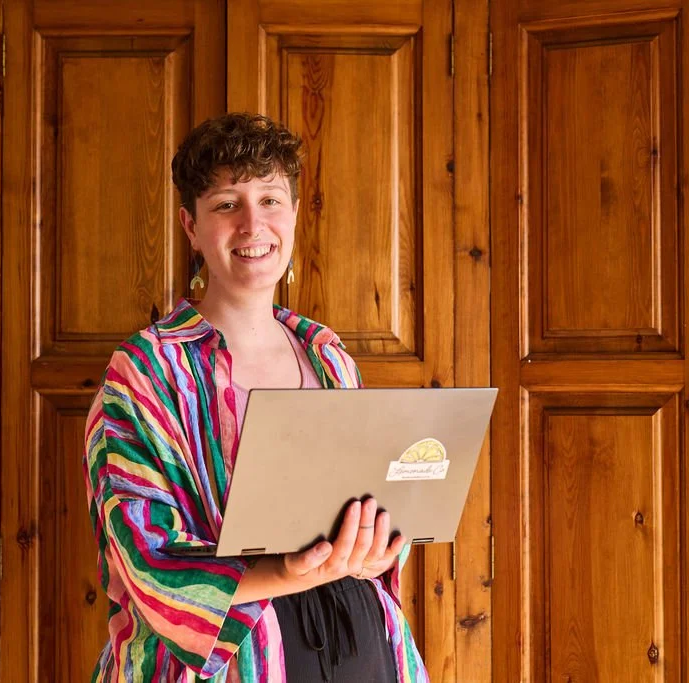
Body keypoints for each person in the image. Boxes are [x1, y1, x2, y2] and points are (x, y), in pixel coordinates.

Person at [83, 113, 429, 682]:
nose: (253, 224)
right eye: (226, 204)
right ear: (190, 226)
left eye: (270, 199)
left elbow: (372, 512)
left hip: (364, 649)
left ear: (293, 214)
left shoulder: (329, 356)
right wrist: (290, 571)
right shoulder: (144, 372)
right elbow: (146, 559)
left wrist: (383, 544)